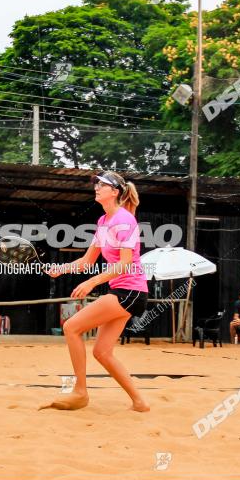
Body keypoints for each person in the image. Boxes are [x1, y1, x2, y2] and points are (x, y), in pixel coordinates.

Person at [43, 170, 149, 412]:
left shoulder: (125, 220)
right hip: (124, 292)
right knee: (102, 352)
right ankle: (140, 403)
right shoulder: (103, 222)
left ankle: (80, 391)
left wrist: (92, 282)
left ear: (115, 192)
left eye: (102, 185)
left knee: (71, 328)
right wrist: (61, 268)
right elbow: (87, 261)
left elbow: (125, 264)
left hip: (129, 292)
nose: (97, 187)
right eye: (96, 184)